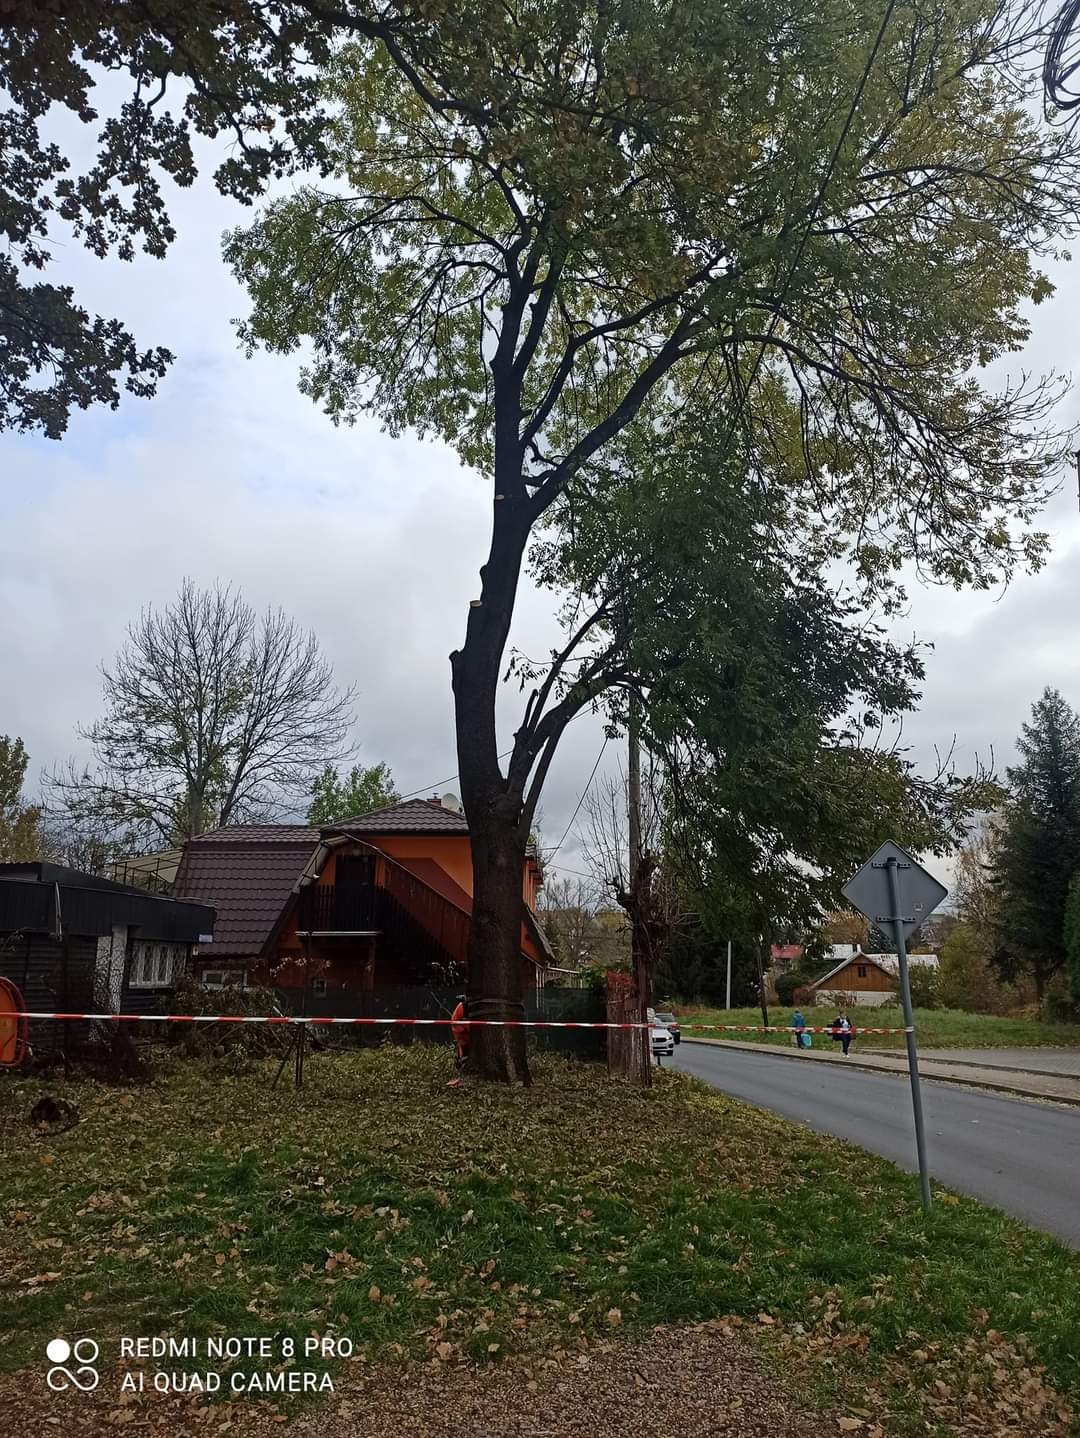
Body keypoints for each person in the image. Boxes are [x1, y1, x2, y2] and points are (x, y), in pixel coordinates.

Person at [450, 993, 471, 1069]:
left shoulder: (465, 1006)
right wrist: (465, 1030)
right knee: (463, 1047)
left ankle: (461, 1061)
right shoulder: (462, 1007)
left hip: (464, 1029)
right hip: (460, 1031)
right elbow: (457, 1021)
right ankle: (461, 1064)